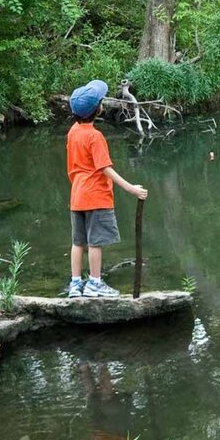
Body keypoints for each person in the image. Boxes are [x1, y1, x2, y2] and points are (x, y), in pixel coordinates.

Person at [67, 79, 148, 298]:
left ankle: (75, 284)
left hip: (77, 196)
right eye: (100, 101)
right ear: (98, 109)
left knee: (78, 242)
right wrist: (132, 189)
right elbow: (105, 169)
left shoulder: (73, 131)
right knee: (95, 243)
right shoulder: (95, 137)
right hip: (96, 197)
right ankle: (94, 283)